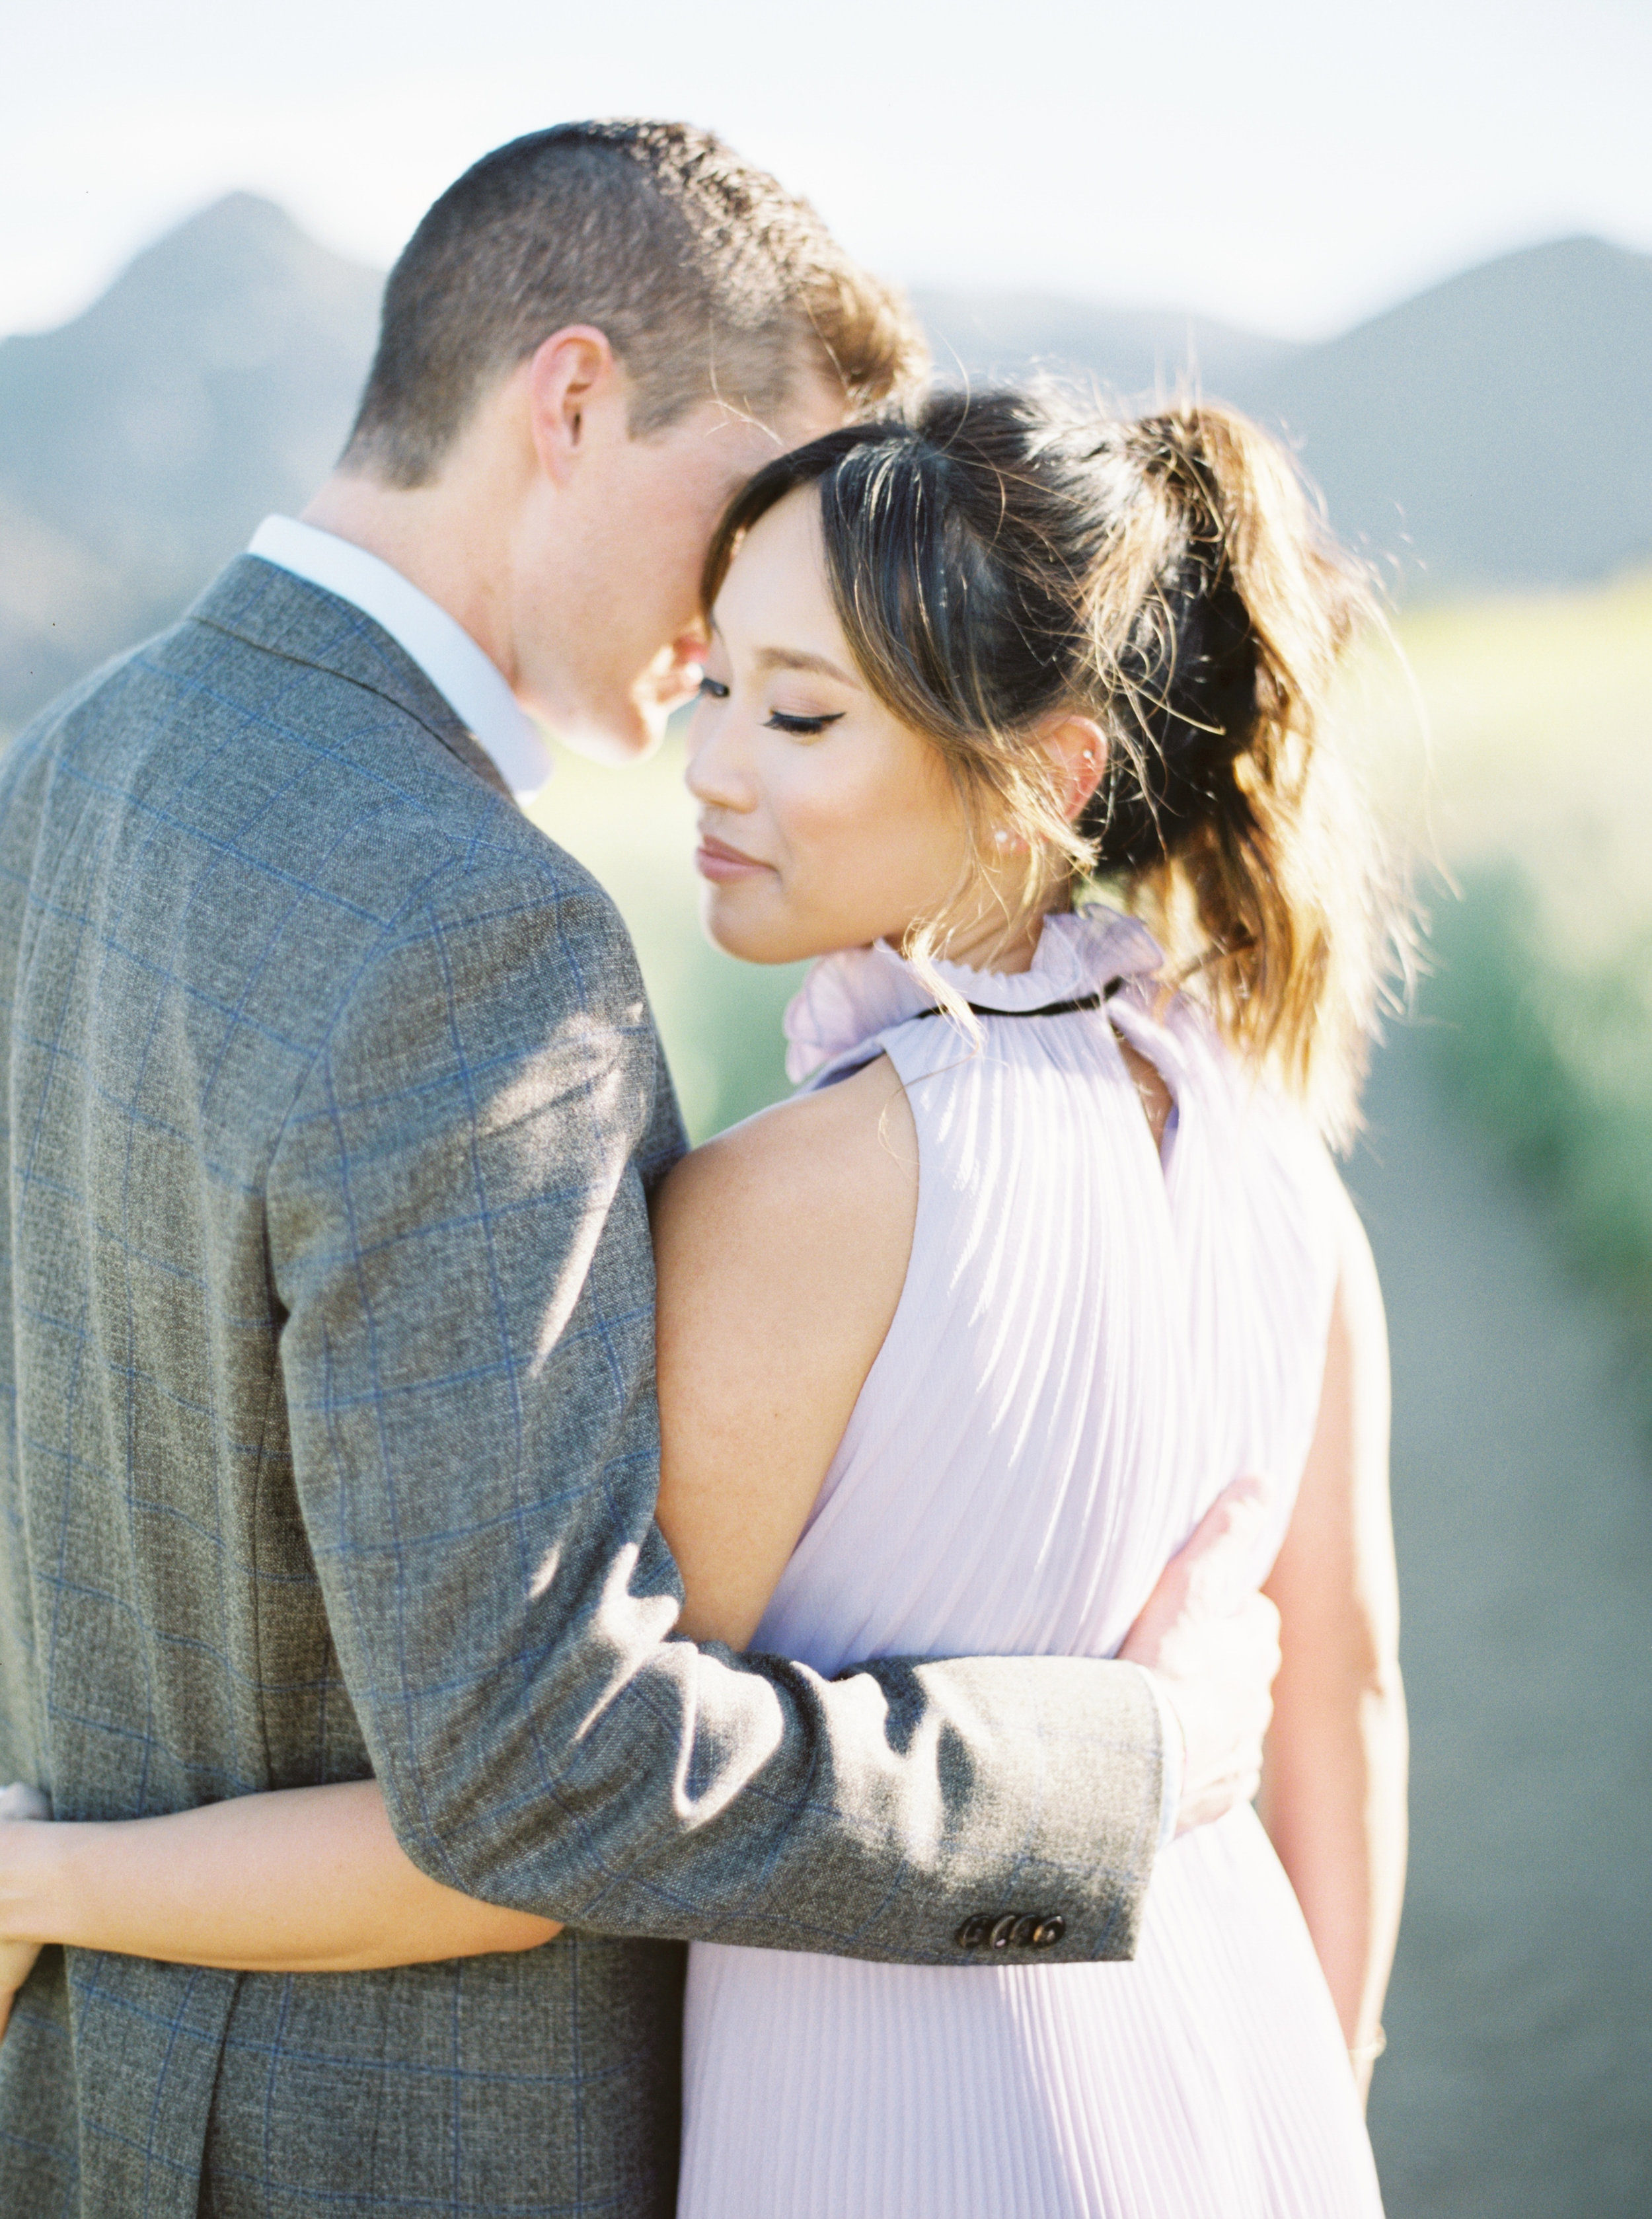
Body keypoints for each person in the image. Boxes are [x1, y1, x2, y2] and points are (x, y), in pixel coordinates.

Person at [0, 126, 1283, 2219]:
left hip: (75, 2110)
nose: (735, 609)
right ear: (573, 402)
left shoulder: (51, 773)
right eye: (751, 494)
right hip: (392, 2147)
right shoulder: (473, 930)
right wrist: (1106, 1774)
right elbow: (538, 1763)